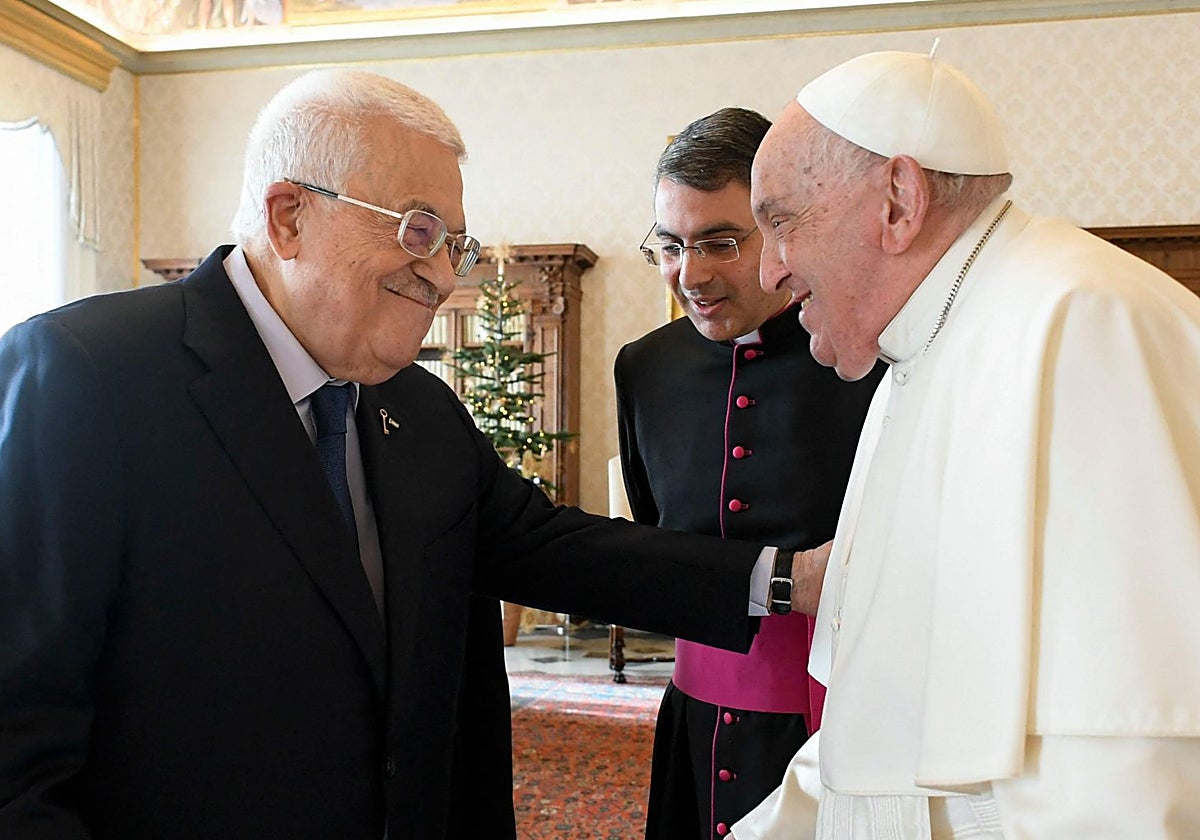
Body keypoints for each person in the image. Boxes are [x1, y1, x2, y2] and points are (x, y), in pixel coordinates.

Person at [0, 69, 828, 840]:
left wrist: (790, 578)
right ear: (289, 217)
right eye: (418, 230)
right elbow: (17, 741)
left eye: (454, 244)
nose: (441, 275)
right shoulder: (87, 376)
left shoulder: (418, 407)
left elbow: (552, 548)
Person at [731, 49, 1200, 839]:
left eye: (781, 224)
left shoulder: (1080, 324)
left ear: (898, 201)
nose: (769, 272)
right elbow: (878, 735)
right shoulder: (918, 353)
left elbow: (1134, 754)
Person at [616, 107, 882, 840]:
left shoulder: (867, 355)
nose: (691, 274)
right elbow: (657, 535)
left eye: (721, 243)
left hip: (840, 723)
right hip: (696, 722)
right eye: (671, 246)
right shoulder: (645, 367)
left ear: (781, 228)